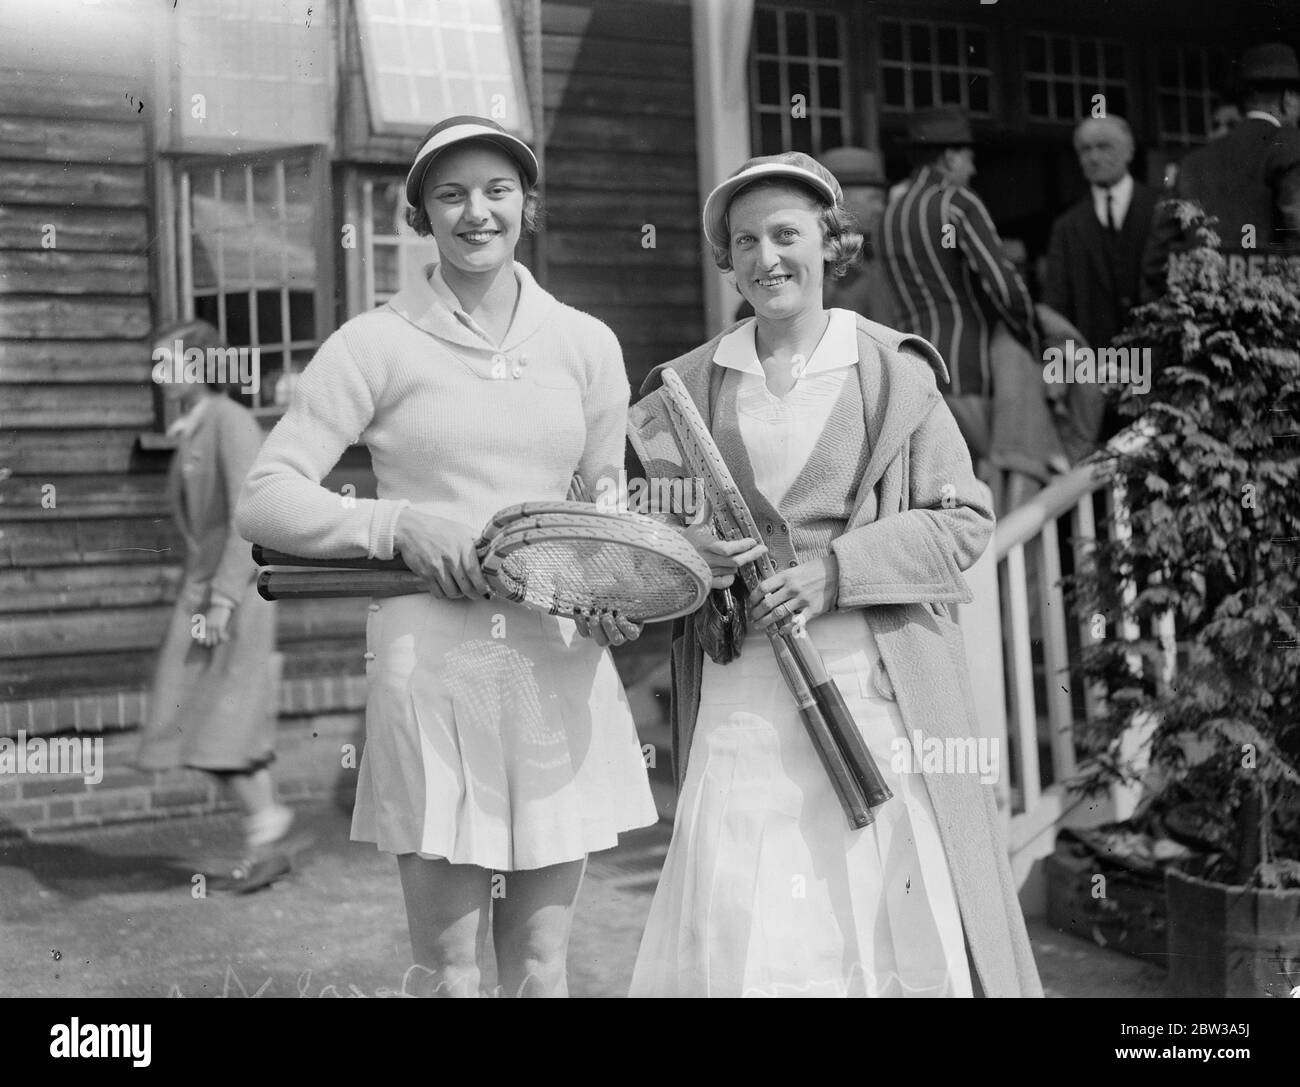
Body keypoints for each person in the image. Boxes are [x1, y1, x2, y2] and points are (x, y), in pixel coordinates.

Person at [235, 116, 658, 997]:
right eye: (451, 194)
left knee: (545, 966)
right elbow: (266, 494)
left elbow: (603, 506)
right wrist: (396, 525)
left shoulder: (585, 343)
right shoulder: (375, 343)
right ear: (420, 213)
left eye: (498, 190)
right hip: (434, 667)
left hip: (556, 661)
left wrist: (608, 588)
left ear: (526, 206)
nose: (477, 212)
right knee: (448, 968)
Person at [626, 152, 1042, 998]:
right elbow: (650, 527)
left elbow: (963, 520)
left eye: (787, 234)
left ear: (832, 240)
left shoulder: (895, 371)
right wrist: (691, 555)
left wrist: (835, 574)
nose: (766, 257)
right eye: (745, 241)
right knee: (747, 922)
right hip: (741, 693)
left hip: (875, 687)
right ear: (728, 260)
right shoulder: (686, 387)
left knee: (875, 915)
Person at [135, 319, 295, 893]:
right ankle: (268, 833)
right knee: (211, 719)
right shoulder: (196, 425)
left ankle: (267, 836)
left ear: (198, 365)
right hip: (206, 594)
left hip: (231, 596)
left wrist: (224, 600)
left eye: (166, 362)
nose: (158, 375)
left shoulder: (228, 421)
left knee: (216, 722)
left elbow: (246, 518)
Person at [880, 107, 1064, 503]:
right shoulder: (956, 203)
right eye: (969, 157)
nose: (974, 168)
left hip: (915, 370)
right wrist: (1032, 339)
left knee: (947, 495)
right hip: (972, 368)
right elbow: (1005, 287)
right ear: (950, 158)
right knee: (995, 490)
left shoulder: (889, 215)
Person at [1144, 43, 1300, 297]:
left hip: (1204, 321)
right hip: (1274, 321)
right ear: (1288, 99)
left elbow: (1156, 260)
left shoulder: (1193, 162)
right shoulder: (1291, 146)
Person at [1044, 115, 1158, 450]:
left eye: (1103, 146)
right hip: (1094, 382)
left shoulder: (1162, 210)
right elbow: (1055, 311)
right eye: (1085, 150)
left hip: (1156, 374)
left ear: (1129, 150)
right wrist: (1064, 377)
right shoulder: (1067, 227)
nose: (1093, 157)